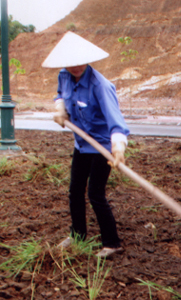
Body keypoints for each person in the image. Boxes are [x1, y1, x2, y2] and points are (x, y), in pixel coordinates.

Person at [42, 32, 130, 257]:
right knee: (74, 191)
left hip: (101, 146)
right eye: (70, 63)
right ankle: (78, 235)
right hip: (81, 144)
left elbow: (116, 121)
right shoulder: (64, 75)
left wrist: (118, 146)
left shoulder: (100, 85)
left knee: (95, 194)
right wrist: (59, 107)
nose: (75, 67)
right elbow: (60, 93)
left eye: (79, 62)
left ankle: (112, 243)